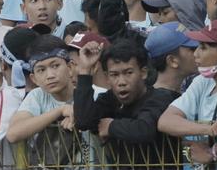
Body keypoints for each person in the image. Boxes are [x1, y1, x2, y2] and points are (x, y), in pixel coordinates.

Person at [73, 38, 180, 170]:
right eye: (114, 75)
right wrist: (84, 70)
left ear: (143, 72)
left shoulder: (160, 98)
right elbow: (84, 122)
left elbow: (145, 129)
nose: (121, 81)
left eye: (128, 73)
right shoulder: (109, 100)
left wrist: (111, 126)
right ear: (107, 78)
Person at [157, 19, 217, 167]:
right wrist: (209, 129)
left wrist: (213, 153)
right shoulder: (202, 82)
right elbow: (166, 121)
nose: (196, 54)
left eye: (203, 47)